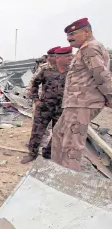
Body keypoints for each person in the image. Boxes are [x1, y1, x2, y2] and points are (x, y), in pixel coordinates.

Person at [52, 18, 112, 171]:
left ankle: (67, 182)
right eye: (68, 35)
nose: (68, 38)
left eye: (73, 33)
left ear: (86, 32)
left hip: (83, 104)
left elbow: (101, 75)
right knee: (59, 134)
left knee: (71, 145)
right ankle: (57, 173)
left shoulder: (90, 48)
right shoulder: (85, 49)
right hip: (76, 103)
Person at [22, 46, 73, 164]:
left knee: (58, 133)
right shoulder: (46, 71)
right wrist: (36, 100)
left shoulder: (72, 73)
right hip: (45, 107)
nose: (71, 58)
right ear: (59, 58)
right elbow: (34, 84)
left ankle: (48, 153)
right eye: (68, 56)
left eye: (71, 55)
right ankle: (32, 154)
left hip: (62, 109)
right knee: (37, 132)